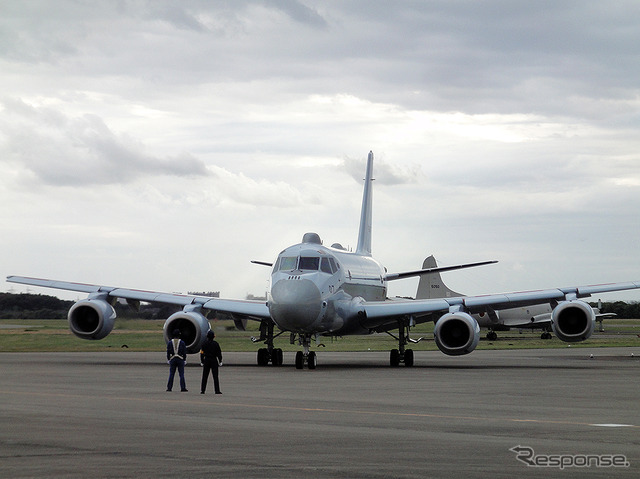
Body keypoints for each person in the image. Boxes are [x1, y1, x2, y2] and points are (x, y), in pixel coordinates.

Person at [200, 330, 223, 394]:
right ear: (213, 337)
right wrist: (220, 360)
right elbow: (219, 352)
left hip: (207, 360)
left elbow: (202, 352)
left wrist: (202, 360)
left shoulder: (204, 344)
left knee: (205, 376)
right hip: (214, 360)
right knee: (215, 376)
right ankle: (217, 390)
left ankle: (203, 390)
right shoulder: (216, 344)